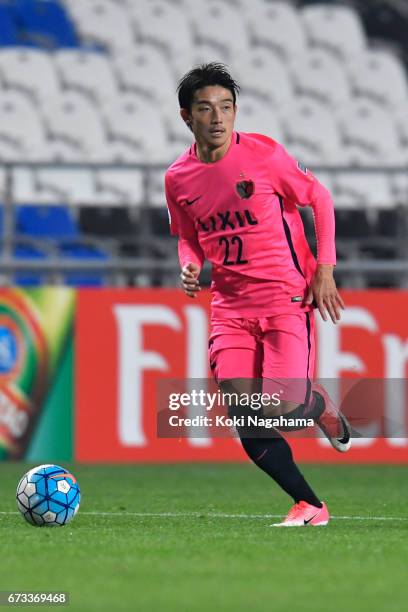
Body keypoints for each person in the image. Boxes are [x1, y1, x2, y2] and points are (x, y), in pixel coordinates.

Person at [165, 63, 351, 527]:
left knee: (281, 412)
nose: (218, 118)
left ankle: (315, 405)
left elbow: (319, 199)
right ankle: (311, 505)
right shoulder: (177, 178)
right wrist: (188, 264)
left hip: (286, 298)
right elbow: (187, 236)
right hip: (230, 306)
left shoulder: (264, 156)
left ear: (235, 111)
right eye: (206, 109)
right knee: (245, 415)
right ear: (187, 117)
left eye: (226, 108)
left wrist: (324, 268)